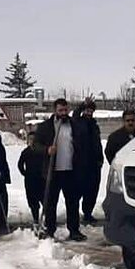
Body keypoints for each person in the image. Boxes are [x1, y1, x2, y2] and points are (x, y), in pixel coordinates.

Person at [33, 98, 86, 242]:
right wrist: (47, 149)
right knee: (51, 203)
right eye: (60, 110)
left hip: (70, 171)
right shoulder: (46, 127)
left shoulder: (73, 126)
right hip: (53, 171)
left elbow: (80, 145)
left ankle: (74, 230)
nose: (63, 113)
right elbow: (35, 145)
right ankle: (50, 230)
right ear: (55, 110)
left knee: (73, 202)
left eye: (65, 110)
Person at [74, 98, 104, 225]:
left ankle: (87, 213)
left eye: (91, 110)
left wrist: (100, 159)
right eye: (87, 110)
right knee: (78, 190)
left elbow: (97, 144)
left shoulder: (94, 125)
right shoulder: (77, 122)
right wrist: (82, 105)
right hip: (80, 163)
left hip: (94, 163)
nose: (88, 112)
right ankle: (74, 214)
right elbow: (75, 115)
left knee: (92, 191)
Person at [17, 131, 46, 228]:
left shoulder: (41, 151)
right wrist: (25, 173)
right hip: (30, 180)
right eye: (30, 139)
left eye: (34, 139)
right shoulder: (25, 152)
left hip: (41, 180)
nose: (32, 141)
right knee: (33, 202)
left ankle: (47, 219)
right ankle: (36, 219)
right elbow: (20, 164)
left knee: (45, 200)